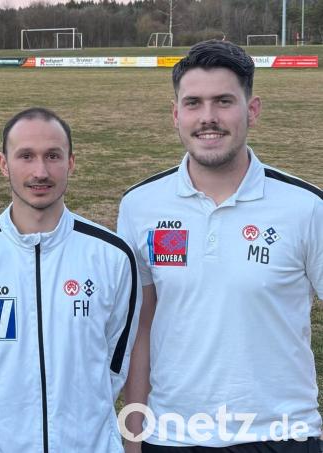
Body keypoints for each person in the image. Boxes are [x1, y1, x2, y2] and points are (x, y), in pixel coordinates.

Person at [118, 40, 323, 453]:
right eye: (193, 103)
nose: (208, 118)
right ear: (176, 114)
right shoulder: (139, 205)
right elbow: (141, 324)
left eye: (224, 101)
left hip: (279, 434)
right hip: (171, 433)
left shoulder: (306, 207)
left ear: (252, 109)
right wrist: (133, 430)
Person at [0, 107, 141, 452]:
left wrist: (76, 418)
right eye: (26, 156)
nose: (40, 171)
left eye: (53, 156)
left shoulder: (113, 256)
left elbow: (113, 366)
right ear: (3, 164)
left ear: (71, 163)